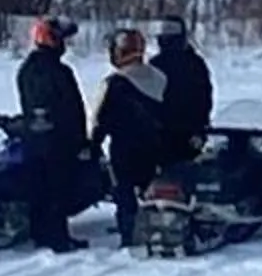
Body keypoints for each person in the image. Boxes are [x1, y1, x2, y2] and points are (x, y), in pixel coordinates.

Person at [89, 28, 170, 251]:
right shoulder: (159, 78)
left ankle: (128, 234)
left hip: (123, 149)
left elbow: (99, 120)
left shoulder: (114, 84)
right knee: (152, 188)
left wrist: (93, 144)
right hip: (155, 146)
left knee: (124, 192)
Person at [14, 18, 89, 253]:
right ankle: (58, 238)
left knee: (39, 187)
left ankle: (41, 233)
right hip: (59, 139)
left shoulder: (27, 69)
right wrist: (80, 140)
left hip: (34, 137)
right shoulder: (59, 71)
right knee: (58, 189)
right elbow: (71, 108)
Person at [152, 16, 213, 155]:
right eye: (164, 35)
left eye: (169, 36)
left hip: (187, 134)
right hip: (162, 135)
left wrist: (200, 128)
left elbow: (204, 99)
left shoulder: (195, 65)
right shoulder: (156, 65)